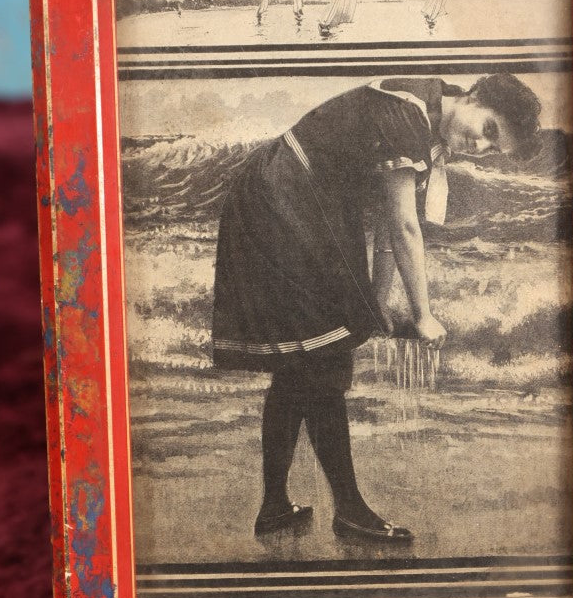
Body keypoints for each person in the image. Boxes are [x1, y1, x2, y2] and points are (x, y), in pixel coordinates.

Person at [212, 74, 542, 542]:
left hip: (305, 207)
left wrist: (380, 303)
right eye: (487, 129)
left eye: (492, 148)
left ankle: (274, 507)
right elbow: (406, 227)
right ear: (474, 97)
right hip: (281, 203)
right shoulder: (406, 114)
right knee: (323, 363)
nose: (479, 145)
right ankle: (350, 512)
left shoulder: (426, 123)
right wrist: (423, 314)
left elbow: (390, 227)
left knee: (303, 365)